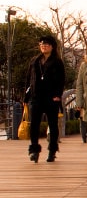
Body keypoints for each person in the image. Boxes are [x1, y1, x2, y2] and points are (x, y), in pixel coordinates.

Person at [25, 34, 65, 163]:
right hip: (36, 97)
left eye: (47, 44)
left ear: (52, 47)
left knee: (53, 125)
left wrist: (58, 96)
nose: (44, 46)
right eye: (42, 44)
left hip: (51, 98)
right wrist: (26, 97)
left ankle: (52, 150)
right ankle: (34, 150)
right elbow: (28, 80)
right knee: (34, 125)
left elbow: (61, 81)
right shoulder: (34, 61)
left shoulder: (57, 62)